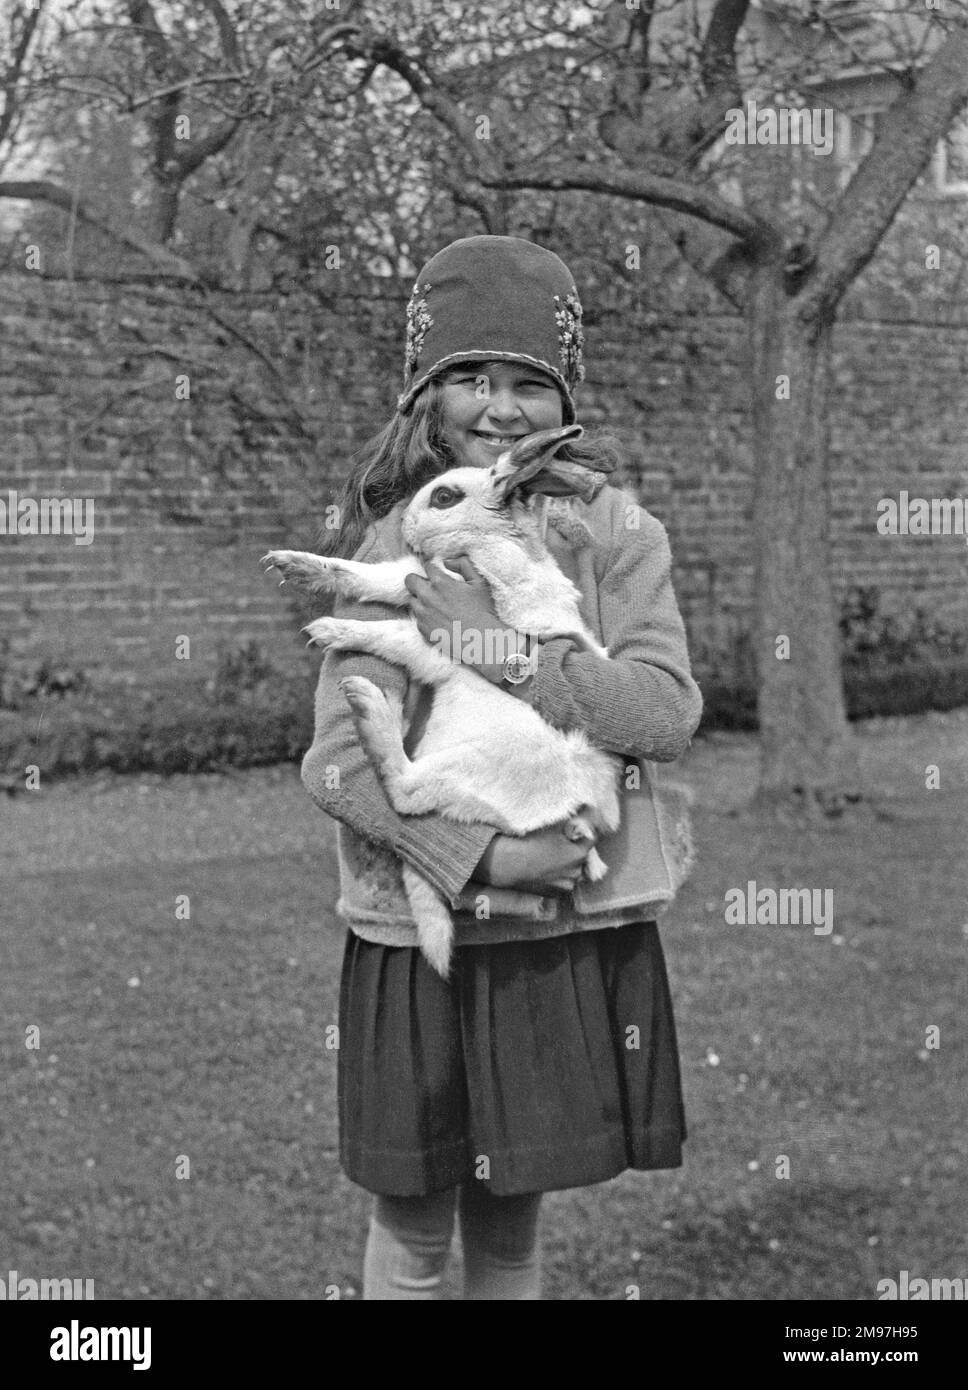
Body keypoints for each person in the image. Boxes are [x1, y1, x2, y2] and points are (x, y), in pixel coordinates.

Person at [302, 235, 703, 1300]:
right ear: (424, 396)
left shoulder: (613, 531)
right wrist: (484, 861)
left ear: (563, 399)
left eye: (530, 380)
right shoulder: (394, 539)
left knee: (511, 1234)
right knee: (415, 1231)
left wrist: (509, 648)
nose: (499, 405)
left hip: (557, 944)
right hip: (420, 933)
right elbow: (339, 766)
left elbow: (662, 718)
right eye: (470, 377)